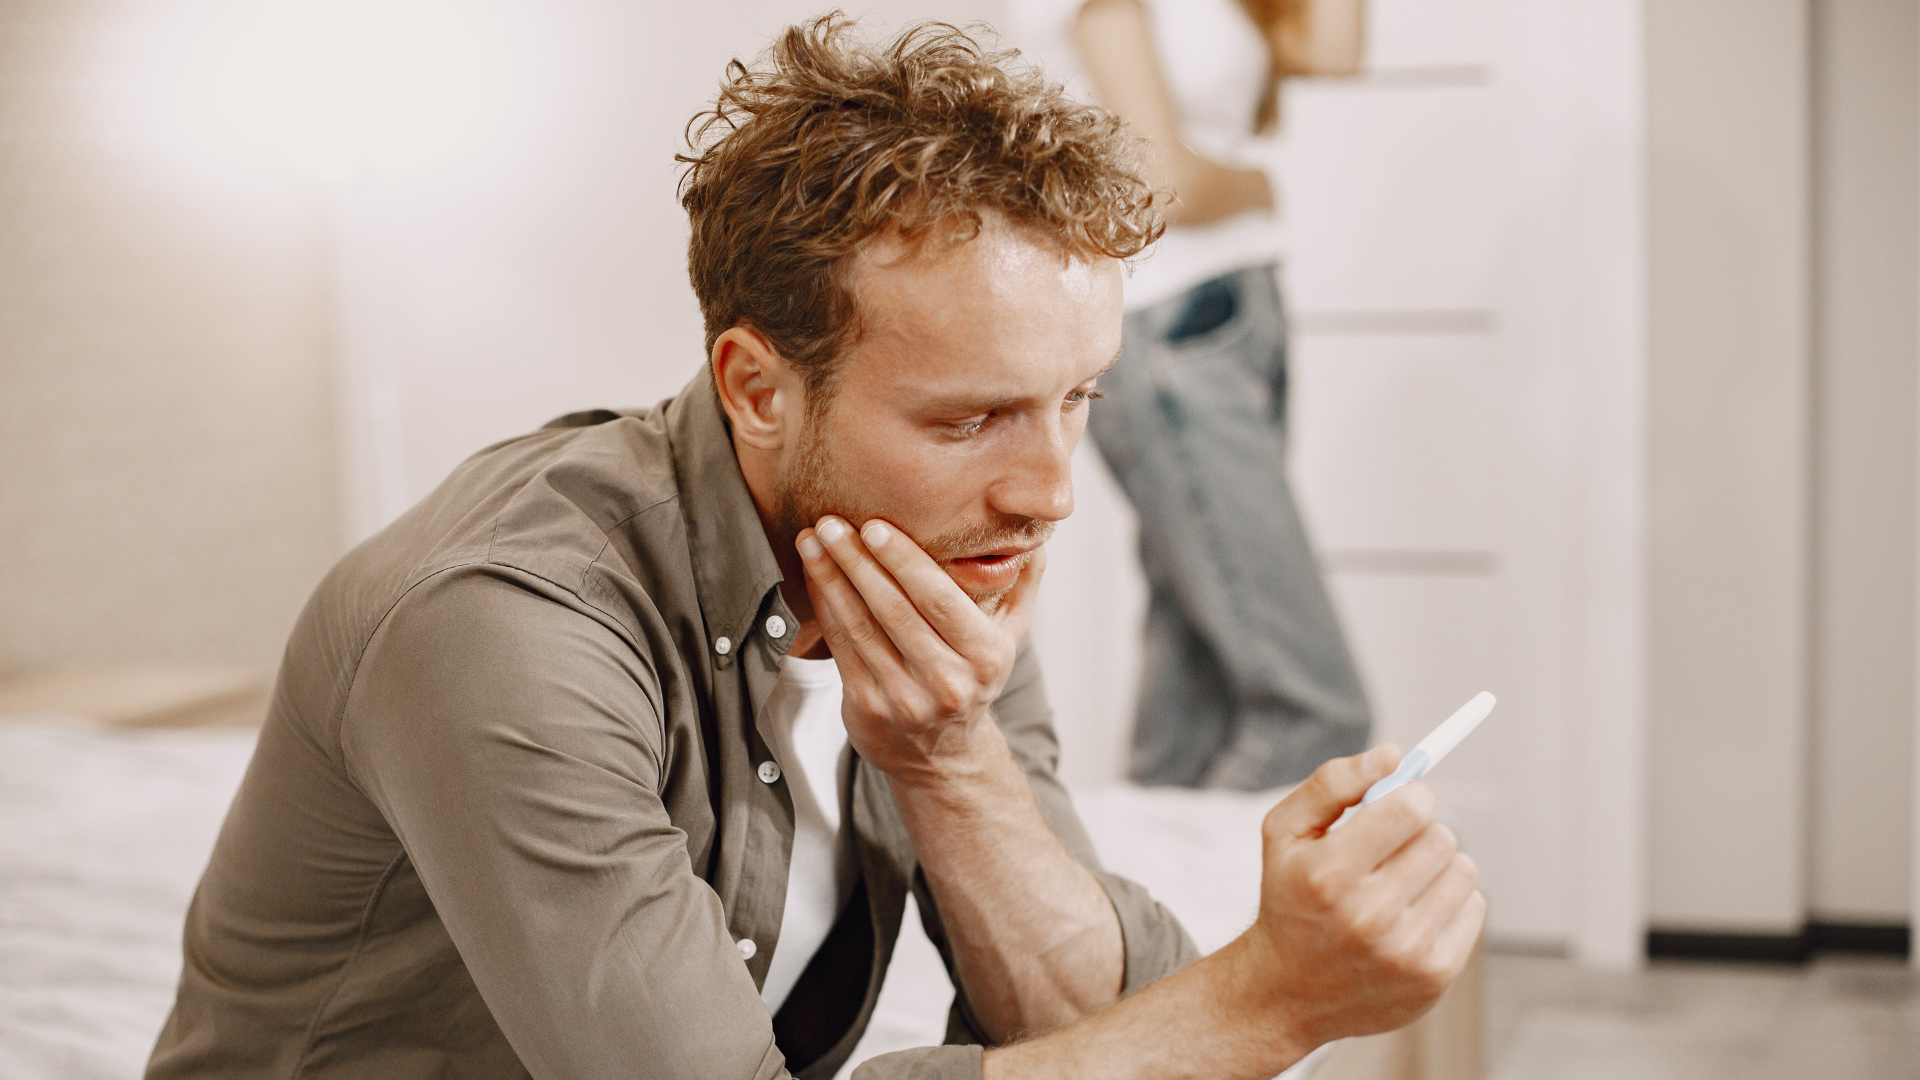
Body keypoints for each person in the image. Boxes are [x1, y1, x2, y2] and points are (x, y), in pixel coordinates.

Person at [146, 17, 1483, 1080]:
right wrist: (1272, 999)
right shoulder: (503, 625)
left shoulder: (934, 556)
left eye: (1078, 399)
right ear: (758, 387)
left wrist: (952, 758)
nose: (1052, 492)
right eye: (970, 418)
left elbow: (1080, 1022)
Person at [1011, 0, 1374, 789]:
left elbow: (1335, 49)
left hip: (1238, 315)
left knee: (1196, 696)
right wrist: (1261, 187)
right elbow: (1158, 184)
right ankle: (1173, 913)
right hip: (1168, 330)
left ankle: (1134, 906)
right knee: (1313, 712)